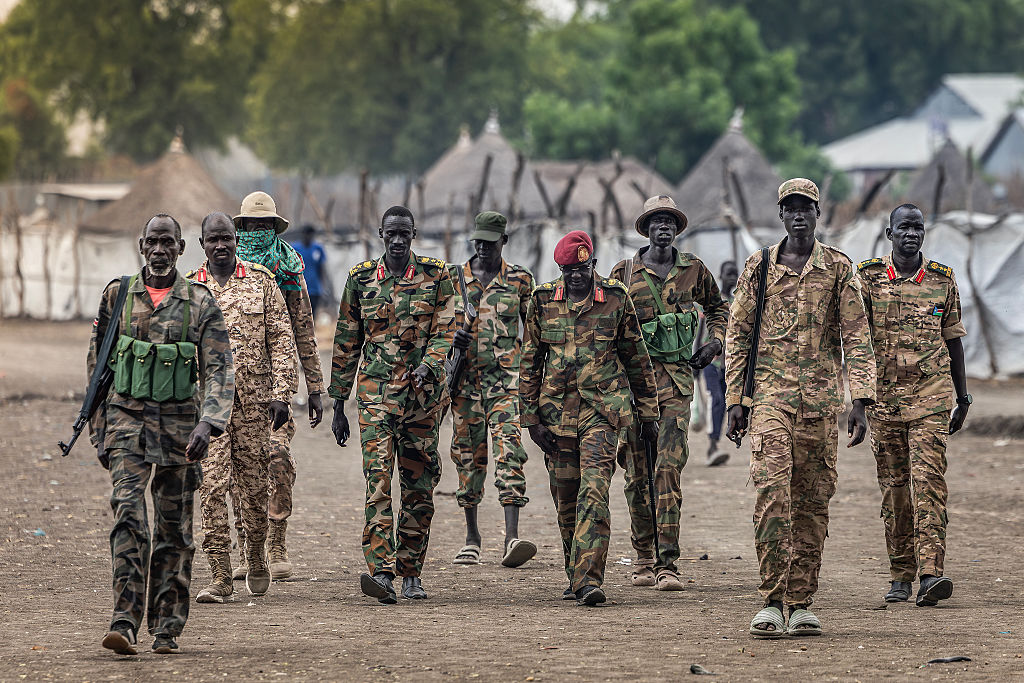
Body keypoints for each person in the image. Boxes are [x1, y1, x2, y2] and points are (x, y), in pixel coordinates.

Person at [725, 178, 876, 638]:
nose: (798, 216)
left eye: (806, 208)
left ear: (818, 214)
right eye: (790, 208)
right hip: (770, 400)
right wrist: (736, 399)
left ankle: (801, 601)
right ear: (780, 215)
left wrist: (861, 400)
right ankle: (772, 600)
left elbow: (856, 335)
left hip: (820, 405)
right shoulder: (760, 267)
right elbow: (737, 334)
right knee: (773, 494)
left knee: (812, 502)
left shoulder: (838, 268)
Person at [88, 214, 234, 655]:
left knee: (174, 531)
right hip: (126, 424)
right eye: (152, 241)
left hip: (180, 431)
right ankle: (124, 621)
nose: (158, 250)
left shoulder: (199, 303)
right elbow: (98, 368)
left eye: (167, 242)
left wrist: (209, 423)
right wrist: (99, 432)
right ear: (140, 245)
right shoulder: (117, 295)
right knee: (129, 518)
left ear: (181, 248)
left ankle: (167, 626)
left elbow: (220, 369)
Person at [521, 230, 660, 606]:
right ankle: (575, 570)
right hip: (555, 416)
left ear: (592, 264)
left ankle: (588, 579)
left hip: (603, 410)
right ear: (560, 270)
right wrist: (530, 419)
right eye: (568, 270)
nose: (575, 276)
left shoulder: (616, 298)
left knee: (594, 492)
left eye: (581, 268)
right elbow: (530, 361)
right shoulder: (542, 300)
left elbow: (636, 358)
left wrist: (648, 412)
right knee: (565, 496)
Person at [329, 205, 455, 603]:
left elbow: (445, 330)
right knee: (378, 483)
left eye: (404, 233)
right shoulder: (361, 279)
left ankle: (411, 572)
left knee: (418, 486)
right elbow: (347, 342)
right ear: (380, 234)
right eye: (391, 234)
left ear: (414, 234)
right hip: (376, 400)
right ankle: (381, 571)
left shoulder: (437, 277)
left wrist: (429, 367)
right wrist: (337, 404)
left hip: (422, 402)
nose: (398, 240)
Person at [609, 195, 729, 591]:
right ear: (645, 228)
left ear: (678, 228)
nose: (664, 226)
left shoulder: (693, 269)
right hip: (632, 389)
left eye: (670, 220)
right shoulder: (624, 273)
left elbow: (719, 308)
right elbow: (606, 326)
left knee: (668, 470)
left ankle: (668, 563)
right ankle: (642, 557)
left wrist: (715, 343)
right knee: (636, 473)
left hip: (677, 385)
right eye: (656, 220)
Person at [857, 203, 970, 607]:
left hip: (932, 398)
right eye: (904, 227)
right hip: (884, 402)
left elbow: (953, 338)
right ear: (889, 234)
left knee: (930, 484)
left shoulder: (943, 280)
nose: (911, 234)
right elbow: (855, 342)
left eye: (918, 228)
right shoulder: (867, 278)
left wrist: (963, 395)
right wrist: (858, 400)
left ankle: (930, 574)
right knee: (895, 490)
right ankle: (900, 574)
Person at [188, 212, 298, 604]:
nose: (220, 245)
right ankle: (219, 573)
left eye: (226, 238)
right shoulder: (190, 290)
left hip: (256, 406)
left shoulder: (261, 282)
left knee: (253, 489)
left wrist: (283, 394)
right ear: (202, 243)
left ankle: (255, 553)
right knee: (212, 486)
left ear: (236, 240)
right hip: (209, 413)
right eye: (212, 239)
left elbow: (282, 339)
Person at [231, 191, 325, 583]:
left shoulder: (289, 269)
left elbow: (304, 329)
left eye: (265, 225)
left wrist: (316, 386)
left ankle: (277, 543)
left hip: (278, 389)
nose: (258, 231)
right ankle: (247, 549)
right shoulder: (223, 268)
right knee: (240, 470)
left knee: (277, 460)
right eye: (252, 225)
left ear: (274, 228)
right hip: (233, 388)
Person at [448, 211, 538, 568]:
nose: (483, 248)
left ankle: (511, 537)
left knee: (510, 452)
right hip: (465, 383)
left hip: (506, 382)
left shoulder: (519, 280)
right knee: (468, 458)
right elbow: (438, 326)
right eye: (478, 242)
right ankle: (472, 537)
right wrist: (451, 339)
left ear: (504, 241)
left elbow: (533, 333)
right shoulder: (453, 279)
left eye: (490, 242)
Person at [702, 260, 738, 466]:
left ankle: (716, 442)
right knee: (716, 400)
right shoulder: (714, 300)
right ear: (721, 276)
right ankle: (712, 445)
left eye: (735, 274)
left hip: (729, 364)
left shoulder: (737, 302)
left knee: (725, 403)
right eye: (728, 274)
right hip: (711, 362)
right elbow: (701, 330)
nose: (732, 278)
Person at [290, 224, 327, 318]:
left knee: (312, 315)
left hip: (314, 288)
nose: (308, 237)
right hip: (299, 287)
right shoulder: (295, 248)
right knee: (300, 315)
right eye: (306, 234)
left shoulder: (317, 249)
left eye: (310, 235)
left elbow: (321, 269)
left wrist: (322, 287)